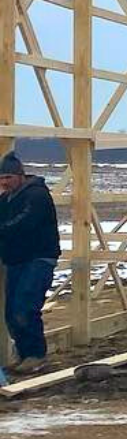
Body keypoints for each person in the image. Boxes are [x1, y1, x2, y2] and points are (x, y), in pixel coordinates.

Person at [0, 153, 59, 373]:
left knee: (25, 306)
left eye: (8, 177)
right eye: (1, 178)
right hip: (17, 260)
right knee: (11, 311)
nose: (4, 182)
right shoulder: (7, 199)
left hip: (38, 258)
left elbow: (22, 223)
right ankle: (24, 353)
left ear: (20, 176)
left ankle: (36, 355)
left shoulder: (37, 196)